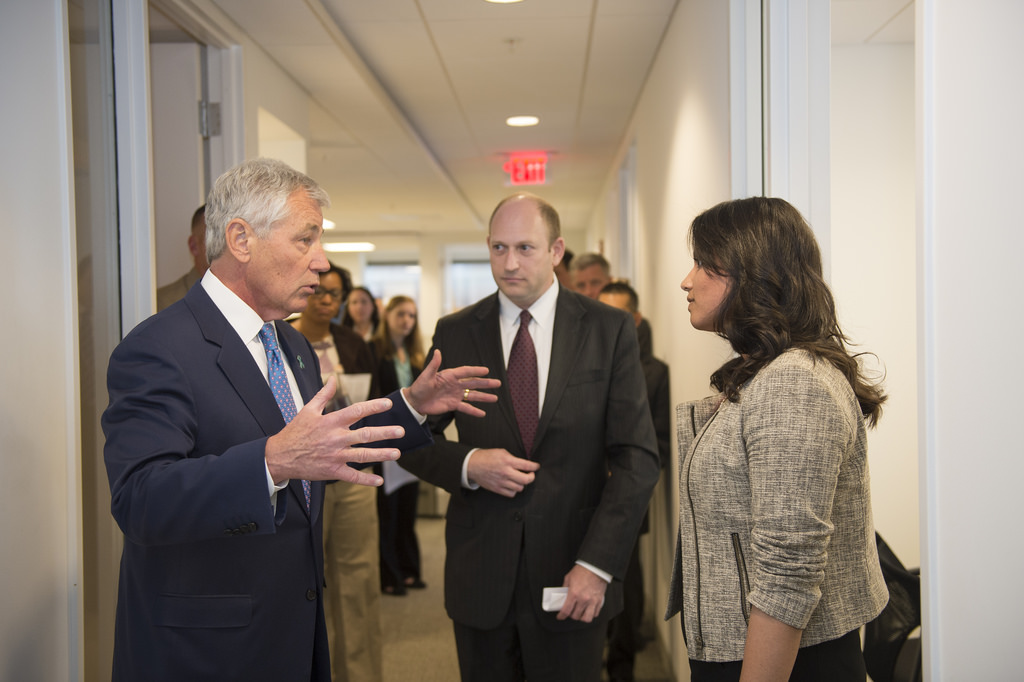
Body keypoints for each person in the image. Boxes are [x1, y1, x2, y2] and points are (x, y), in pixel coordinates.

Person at [101, 157, 500, 682]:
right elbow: (140, 498)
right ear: (241, 239)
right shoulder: (158, 347)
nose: (323, 261)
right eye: (305, 240)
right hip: (207, 650)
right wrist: (271, 462)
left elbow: (322, 444)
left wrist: (412, 406)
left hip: (294, 628)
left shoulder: (291, 344)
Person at [398, 192, 661, 682]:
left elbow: (637, 460)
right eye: (498, 248)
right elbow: (413, 440)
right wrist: (467, 464)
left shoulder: (607, 329)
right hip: (481, 573)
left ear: (557, 251)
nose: (509, 263)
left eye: (525, 248)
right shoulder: (455, 333)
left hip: (573, 569)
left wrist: (598, 564)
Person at [665, 196, 888, 681]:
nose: (687, 280)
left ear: (753, 274)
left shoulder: (793, 382)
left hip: (785, 663)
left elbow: (789, 572)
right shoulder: (766, 375)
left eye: (706, 264)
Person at [290, 263, 384, 682]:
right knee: (302, 584)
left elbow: (374, 403)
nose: (325, 300)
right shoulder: (280, 335)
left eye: (335, 294)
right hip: (299, 482)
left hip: (351, 473)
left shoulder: (353, 342)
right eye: (319, 291)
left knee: (358, 582)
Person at [598, 281, 671, 682]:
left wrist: (622, 470)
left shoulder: (657, 373)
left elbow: (659, 441)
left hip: (628, 495)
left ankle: (622, 667)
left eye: (618, 314)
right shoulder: (584, 365)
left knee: (626, 584)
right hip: (581, 494)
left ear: (635, 319)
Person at [372, 295, 427, 596]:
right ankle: (390, 574)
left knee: (408, 509)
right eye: (402, 314)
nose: (407, 320)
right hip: (384, 437)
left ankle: (409, 569)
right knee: (388, 511)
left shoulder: (414, 354)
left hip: (411, 441)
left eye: (412, 316)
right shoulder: (375, 350)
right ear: (388, 315)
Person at [156, 204, 208, 310]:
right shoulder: (163, 303)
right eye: (214, 237)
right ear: (193, 246)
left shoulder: (245, 298)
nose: (227, 247)